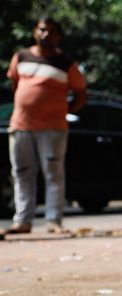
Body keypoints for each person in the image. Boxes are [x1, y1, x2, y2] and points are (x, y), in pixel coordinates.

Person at [3, 16, 86, 236]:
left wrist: (63, 111)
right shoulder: (21, 57)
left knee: (53, 174)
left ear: (58, 36)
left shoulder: (66, 63)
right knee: (21, 173)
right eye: (42, 30)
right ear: (34, 31)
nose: (46, 34)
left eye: (51, 31)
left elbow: (81, 93)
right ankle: (22, 221)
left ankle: (54, 221)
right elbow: (16, 85)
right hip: (21, 125)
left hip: (53, 128)